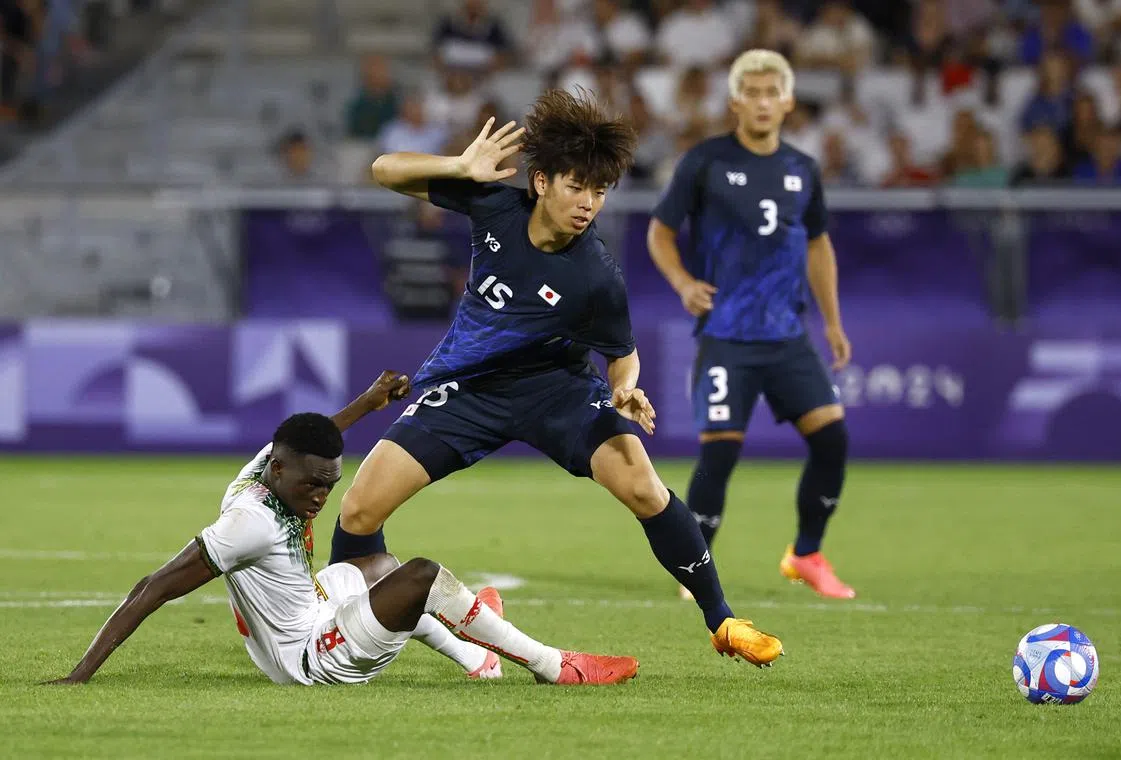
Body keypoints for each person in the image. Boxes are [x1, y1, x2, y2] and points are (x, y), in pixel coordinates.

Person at [328, 89, 784, 669]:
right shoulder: (493, 205)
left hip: (557, 392)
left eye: (600, 191)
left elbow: (622, 354)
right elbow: (384, 169)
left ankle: (722, 620)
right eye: (577, 186)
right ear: (541, 182)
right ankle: (343, 627)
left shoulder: (596, 277)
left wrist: (624, 388)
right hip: (471, 390)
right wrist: (458, 166)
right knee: (359, 510)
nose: (588, 203)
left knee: (643, 486)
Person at [45, 372, 638, 686]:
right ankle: (551, 665)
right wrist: (80, 675)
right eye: (312, 487)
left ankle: (477, 657)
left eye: (329, 485)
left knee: (379, 567)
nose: (321, 498)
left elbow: (315, 436)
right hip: (309, 660)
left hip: (305, 613)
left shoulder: (266, 467)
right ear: (280, 471)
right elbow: (152, 588)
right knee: (422, 576)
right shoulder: (248, 524)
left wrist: (367, 403)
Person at [646, 50, 856, 601]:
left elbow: (818, 245)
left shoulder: (802, 169)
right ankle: (694, 569)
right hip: (727, 336)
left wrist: (833, 322)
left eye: (772, 93)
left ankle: (806, 554)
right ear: (735, 102)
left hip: (787, 335)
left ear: (788, 102)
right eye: (753, 93)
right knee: (719, 453)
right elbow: (660, 232)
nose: (763, 103)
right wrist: (683, 283)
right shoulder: (705, 162)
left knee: (832, 439)